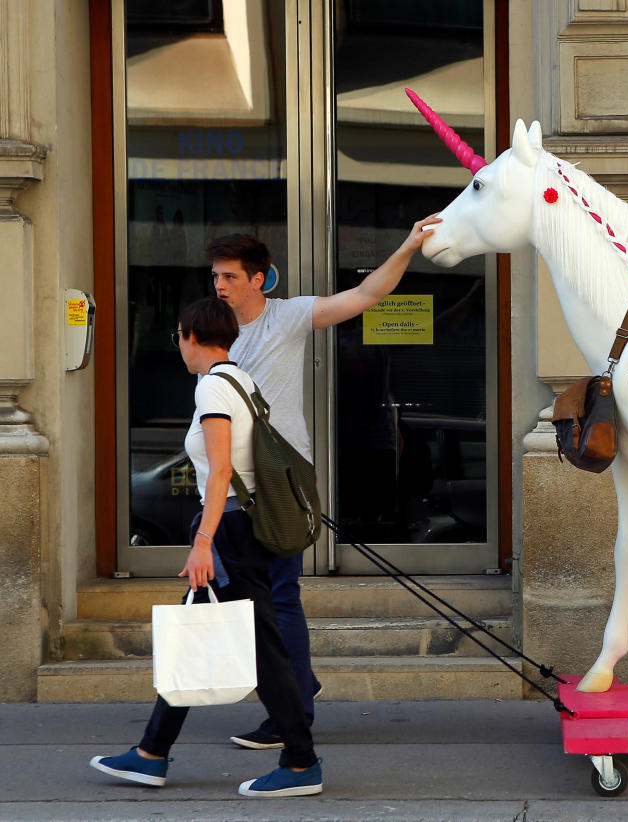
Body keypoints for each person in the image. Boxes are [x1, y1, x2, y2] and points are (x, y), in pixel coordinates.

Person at [207, 214, 441, 749]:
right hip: (230, 483)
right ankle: (296, 693)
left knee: (278, 596)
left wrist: (407, 244)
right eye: (216, 277)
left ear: (260, 279)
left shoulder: (285, 317)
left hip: (277, 480)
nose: (219, 286)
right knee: (250, 598)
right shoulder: (209, 328)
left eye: (230, 277)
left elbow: (365, 294)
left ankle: (293, 712)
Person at [90, 298, 323, 797]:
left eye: (178, 334)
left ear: (192, 336)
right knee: (204, 635)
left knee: (264, 650)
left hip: (230, 533)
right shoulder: (240, 379)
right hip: (238, 531)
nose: (177, 343)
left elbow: (221, 472)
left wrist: (202, 541)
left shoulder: (215, 387)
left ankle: (301, 763)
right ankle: (151, 753)